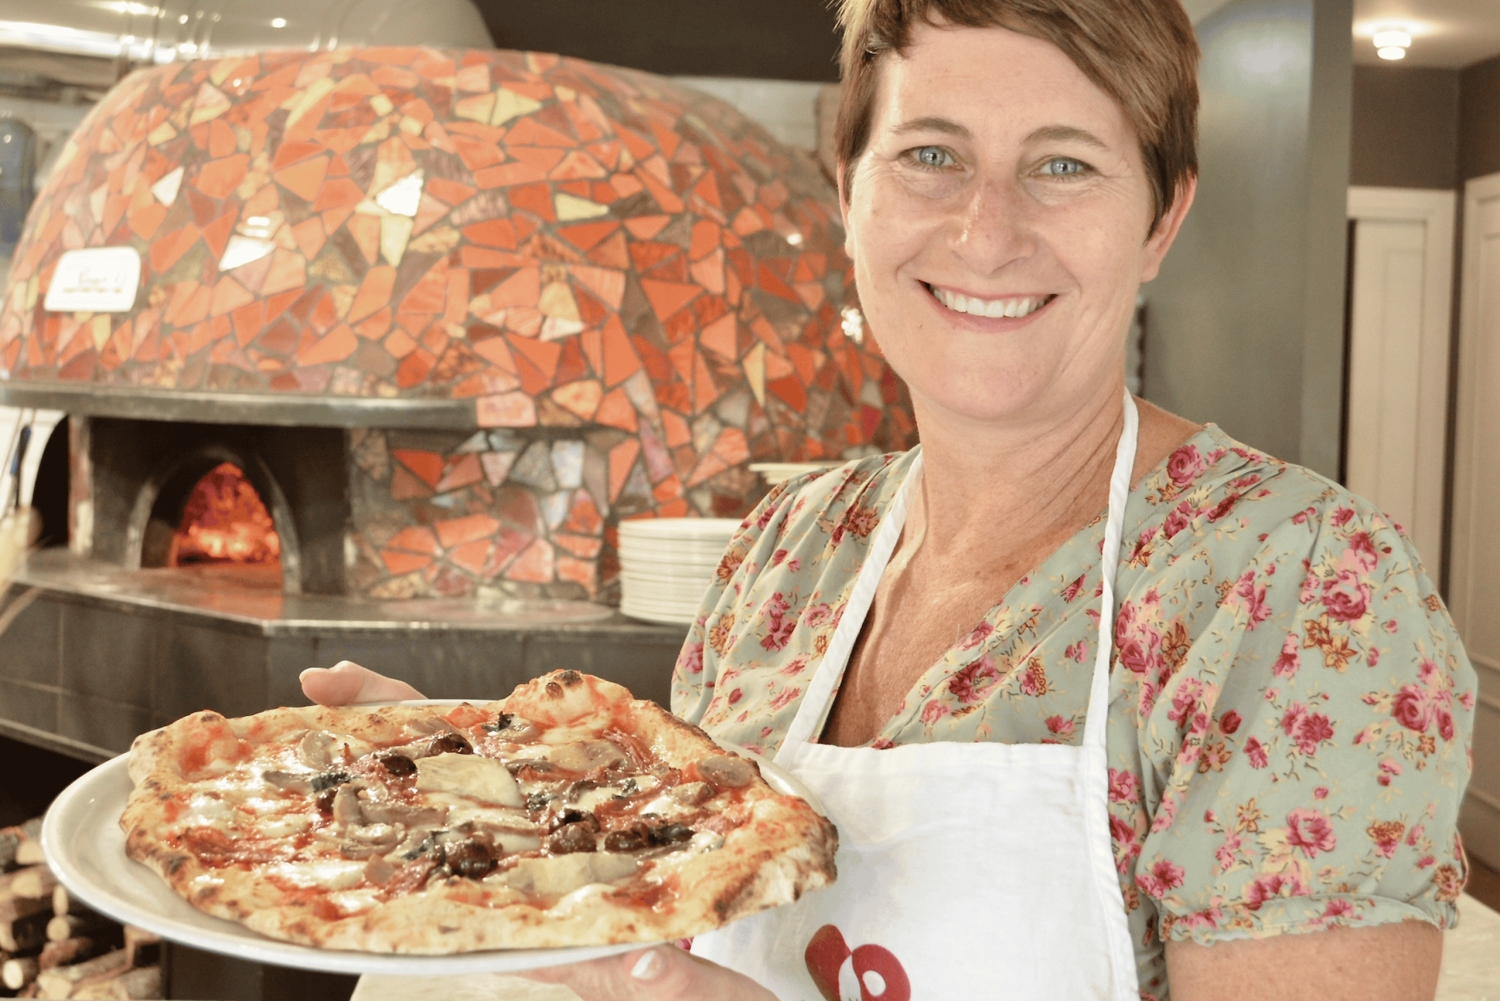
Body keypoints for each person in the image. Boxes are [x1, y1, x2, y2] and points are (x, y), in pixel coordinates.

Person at [302, 1, 1478, 997]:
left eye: (1064, 163)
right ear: (847, 192)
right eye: (931, 154)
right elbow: (667, 903)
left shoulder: (1301, 594)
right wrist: (480, 798)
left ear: (1161, 218)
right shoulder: (787, 550)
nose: (987, 227)